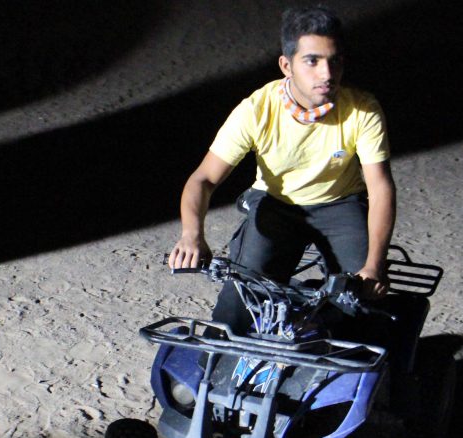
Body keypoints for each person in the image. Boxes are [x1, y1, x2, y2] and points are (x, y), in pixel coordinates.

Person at [167, 6, 395, 335]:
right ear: (286, 65)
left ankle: (314, 325)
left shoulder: (362, 110)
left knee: (361, 301)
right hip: (277, 203)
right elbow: (203, 179)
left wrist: (374, 264)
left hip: (339, 203)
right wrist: (191, 235)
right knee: (241, 296)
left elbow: (380, 187)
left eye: (335, 60)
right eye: (312, 61)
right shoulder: (257, 110)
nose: (327, 74)